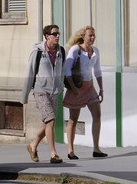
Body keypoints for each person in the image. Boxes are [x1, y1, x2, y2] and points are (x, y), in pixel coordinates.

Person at [19, 23, 64, 164]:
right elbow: (30, 73)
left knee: (47, 123)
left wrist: (61, 86)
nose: (57, 36)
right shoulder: (37, 52)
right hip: (40, 90)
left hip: (54, 91)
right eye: (54, 34)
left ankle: (33, 145)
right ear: (47, 36)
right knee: (50, 120)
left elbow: (62, 71)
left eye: (58, 34)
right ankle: (53, 154)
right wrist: (24, 96)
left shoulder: (61, 51)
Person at [61, 25, 106, 159]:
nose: (92, 38)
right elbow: (67, 70)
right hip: (77, 87)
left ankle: (96, 149)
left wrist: (101, 89)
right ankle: (71, 150)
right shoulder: (76, 50)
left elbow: (97, 71)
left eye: (93, 35)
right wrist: (74, 89)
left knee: (97, 115)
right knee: (73, 119)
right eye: (89, 35)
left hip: (90, 87)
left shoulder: (95, 51)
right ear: (83, 36)